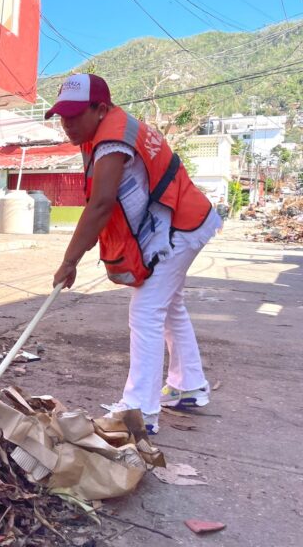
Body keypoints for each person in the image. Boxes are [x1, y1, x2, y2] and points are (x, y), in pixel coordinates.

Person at [47, 74, 222, 435]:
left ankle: (138, 412)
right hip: (188, 220)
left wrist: (69, 261)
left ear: (100, 109)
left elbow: (101, 204)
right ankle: (188, 384)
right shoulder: (111, 129)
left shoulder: (113, 140)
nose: (67, 124)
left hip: (182, 226)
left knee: (146, 310)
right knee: (169, 305)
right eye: (62, 116)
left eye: (75, 115)